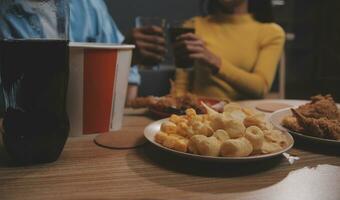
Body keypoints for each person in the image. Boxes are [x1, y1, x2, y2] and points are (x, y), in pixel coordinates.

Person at [0, 0, 166, 114]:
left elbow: (129, 88)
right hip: (26, 132)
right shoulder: (5, 12)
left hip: (89, 134)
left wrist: (123, 56)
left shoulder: (89, 5)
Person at [173, 0, 285, 100]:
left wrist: (214, 61)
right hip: (199, 117)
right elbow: (180, 88)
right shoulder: (193, 25)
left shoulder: (271, 32)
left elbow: (260, 88)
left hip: (243, 118)